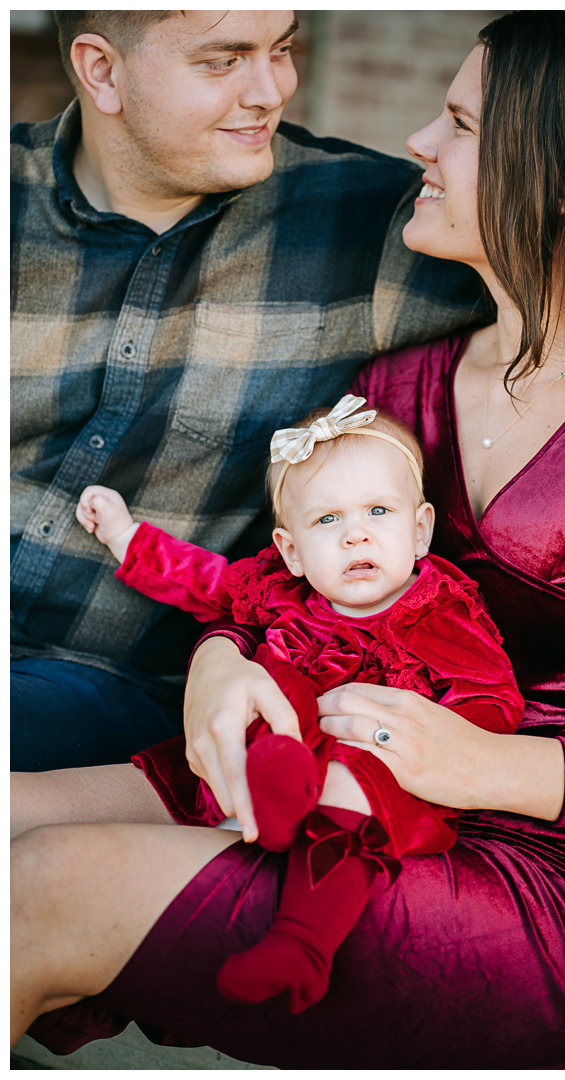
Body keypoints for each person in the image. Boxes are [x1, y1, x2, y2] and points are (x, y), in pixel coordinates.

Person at [11, 12, 565, 1069]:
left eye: (462, 123)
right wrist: (219, 661)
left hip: (557, 874)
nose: (420, 143)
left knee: (39, 894)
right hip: (334, 760)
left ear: (563, 179)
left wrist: (495, 766)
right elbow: (273, 575)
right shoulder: (399, 391)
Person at [10, 9, 488, 773]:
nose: (271, 90)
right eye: (223, 61)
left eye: (283, 49)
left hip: (125, 684)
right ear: (102, 70)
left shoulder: (366, 222)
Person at [60, 395, 522, 1014]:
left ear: (419, 531)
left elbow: (491, 699)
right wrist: (125, 535)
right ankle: (278, 788)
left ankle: (301, 944)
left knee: (351, 775)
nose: (356, 532)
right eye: (327, 520)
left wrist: (438, 743)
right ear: (292, 549)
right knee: (276, 690)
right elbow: (205, 581)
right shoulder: (279, 592)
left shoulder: (440, 612)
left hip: (377, 779)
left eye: (378, 512)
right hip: (268, 757)